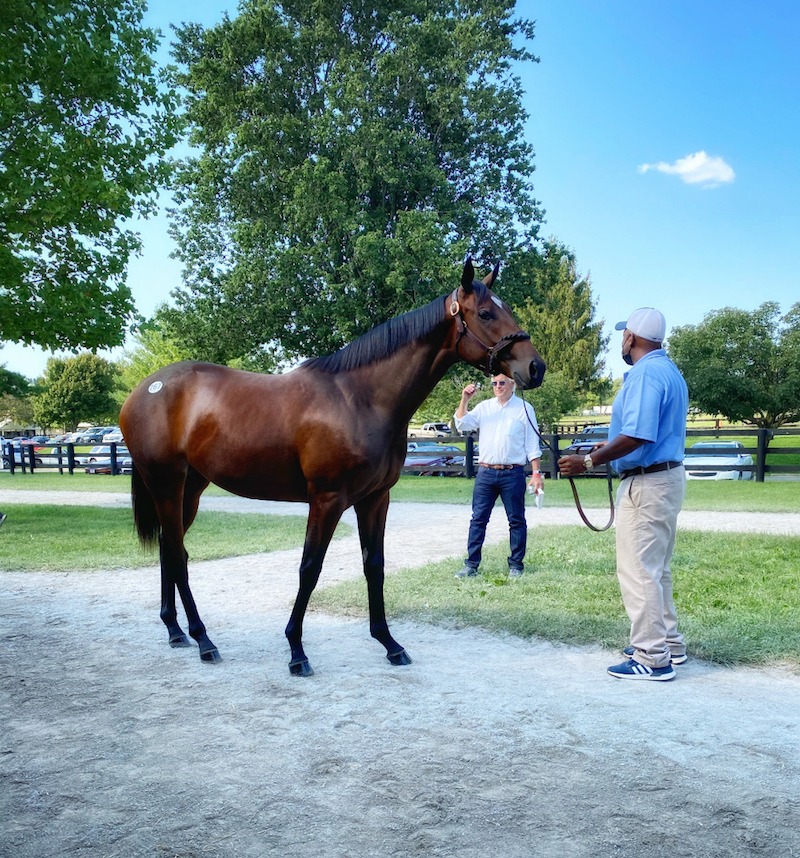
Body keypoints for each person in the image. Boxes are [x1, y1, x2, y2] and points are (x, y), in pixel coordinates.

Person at [559, 307, 688, 681]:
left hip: (647, 482)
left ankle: (651, 657)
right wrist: (609, 444)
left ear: (631, 338)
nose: (622, 340)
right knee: (658, 569)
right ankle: (669, 644)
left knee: (638, 571)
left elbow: (640, 435)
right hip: (666, 477)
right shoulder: (669, 370)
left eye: (624, 335)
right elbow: (644, 431)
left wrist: (589, 461)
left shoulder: (645, 373)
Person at [453, 373, 543, 579]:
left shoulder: (524, 409)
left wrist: (536, 473)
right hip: (485, 472)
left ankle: (516, 565)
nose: (498, 386)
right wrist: (464, 399)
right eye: (494, 383)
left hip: (513, 473)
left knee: (516, 520)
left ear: (512, 384)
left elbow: (532, 444)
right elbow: (462, 423)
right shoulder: (485, 407)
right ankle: (471, 565)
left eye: (502, 383)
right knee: (478, 519)